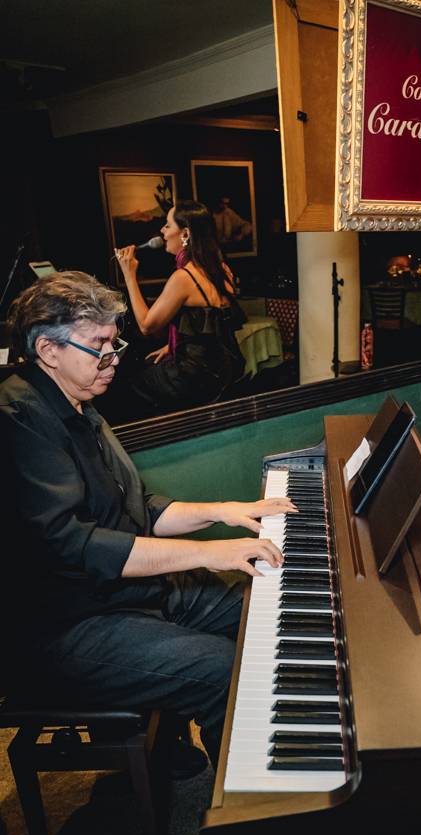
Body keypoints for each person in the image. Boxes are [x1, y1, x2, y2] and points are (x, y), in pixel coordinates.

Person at [0, 271, 296, 767]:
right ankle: (251, 805)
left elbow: (137, 507)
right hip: (66, 624)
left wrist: (224, 512)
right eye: (100, 346)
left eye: (114, 344)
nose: (113, 358)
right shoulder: (18, 418)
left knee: (265, 603)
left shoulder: (78, 399)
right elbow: (77, 545)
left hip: (125, 593)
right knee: (226, 671)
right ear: (49, 350)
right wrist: (210, 552)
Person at [115, 199, 246, 420]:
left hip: (196, 375)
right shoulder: (223, 269)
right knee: (149, 363)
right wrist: (173, 345)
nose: (162, 231)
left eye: (167, 225)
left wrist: (129, 276)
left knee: (131, 387)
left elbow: (146, 326)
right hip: (226, 366)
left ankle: (165, 435)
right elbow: (213, 326)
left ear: (185, 234)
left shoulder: (184, 278)